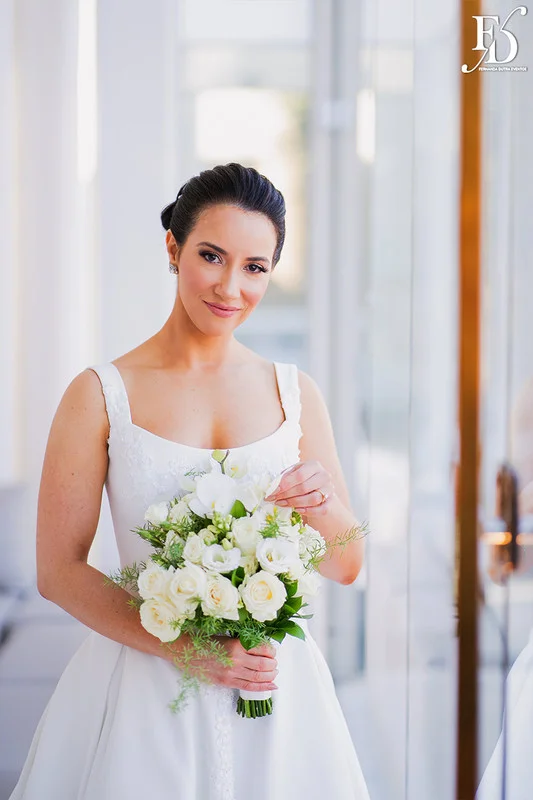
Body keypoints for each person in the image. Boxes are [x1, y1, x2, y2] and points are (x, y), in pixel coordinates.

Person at [10, 163, 370, 799]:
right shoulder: (98, 394)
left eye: (255, 267)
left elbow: (346, 565)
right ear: (173, 248)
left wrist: (323, 504)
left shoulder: (295, 393)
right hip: (144, 695)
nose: (231, 287)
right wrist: (183, 651)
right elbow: (58, 570)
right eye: (212, 256)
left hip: (275, 693)